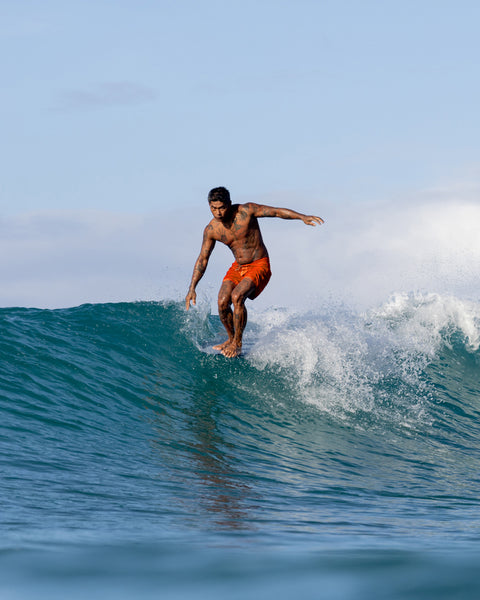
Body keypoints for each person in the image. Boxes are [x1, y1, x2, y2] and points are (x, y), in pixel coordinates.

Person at [185, 187, 324, 357]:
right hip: (238, 267)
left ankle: (238, 343)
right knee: (222, 302)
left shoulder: (246, 211)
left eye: (221, 207)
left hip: (259, 264)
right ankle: (230, 338)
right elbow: (203, 259)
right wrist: (192, 288)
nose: (218, 212)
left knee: (237, 297)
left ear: (229, 203)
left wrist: (302, 217)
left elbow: (275, 212)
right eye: (213, 208)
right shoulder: (211, 230)